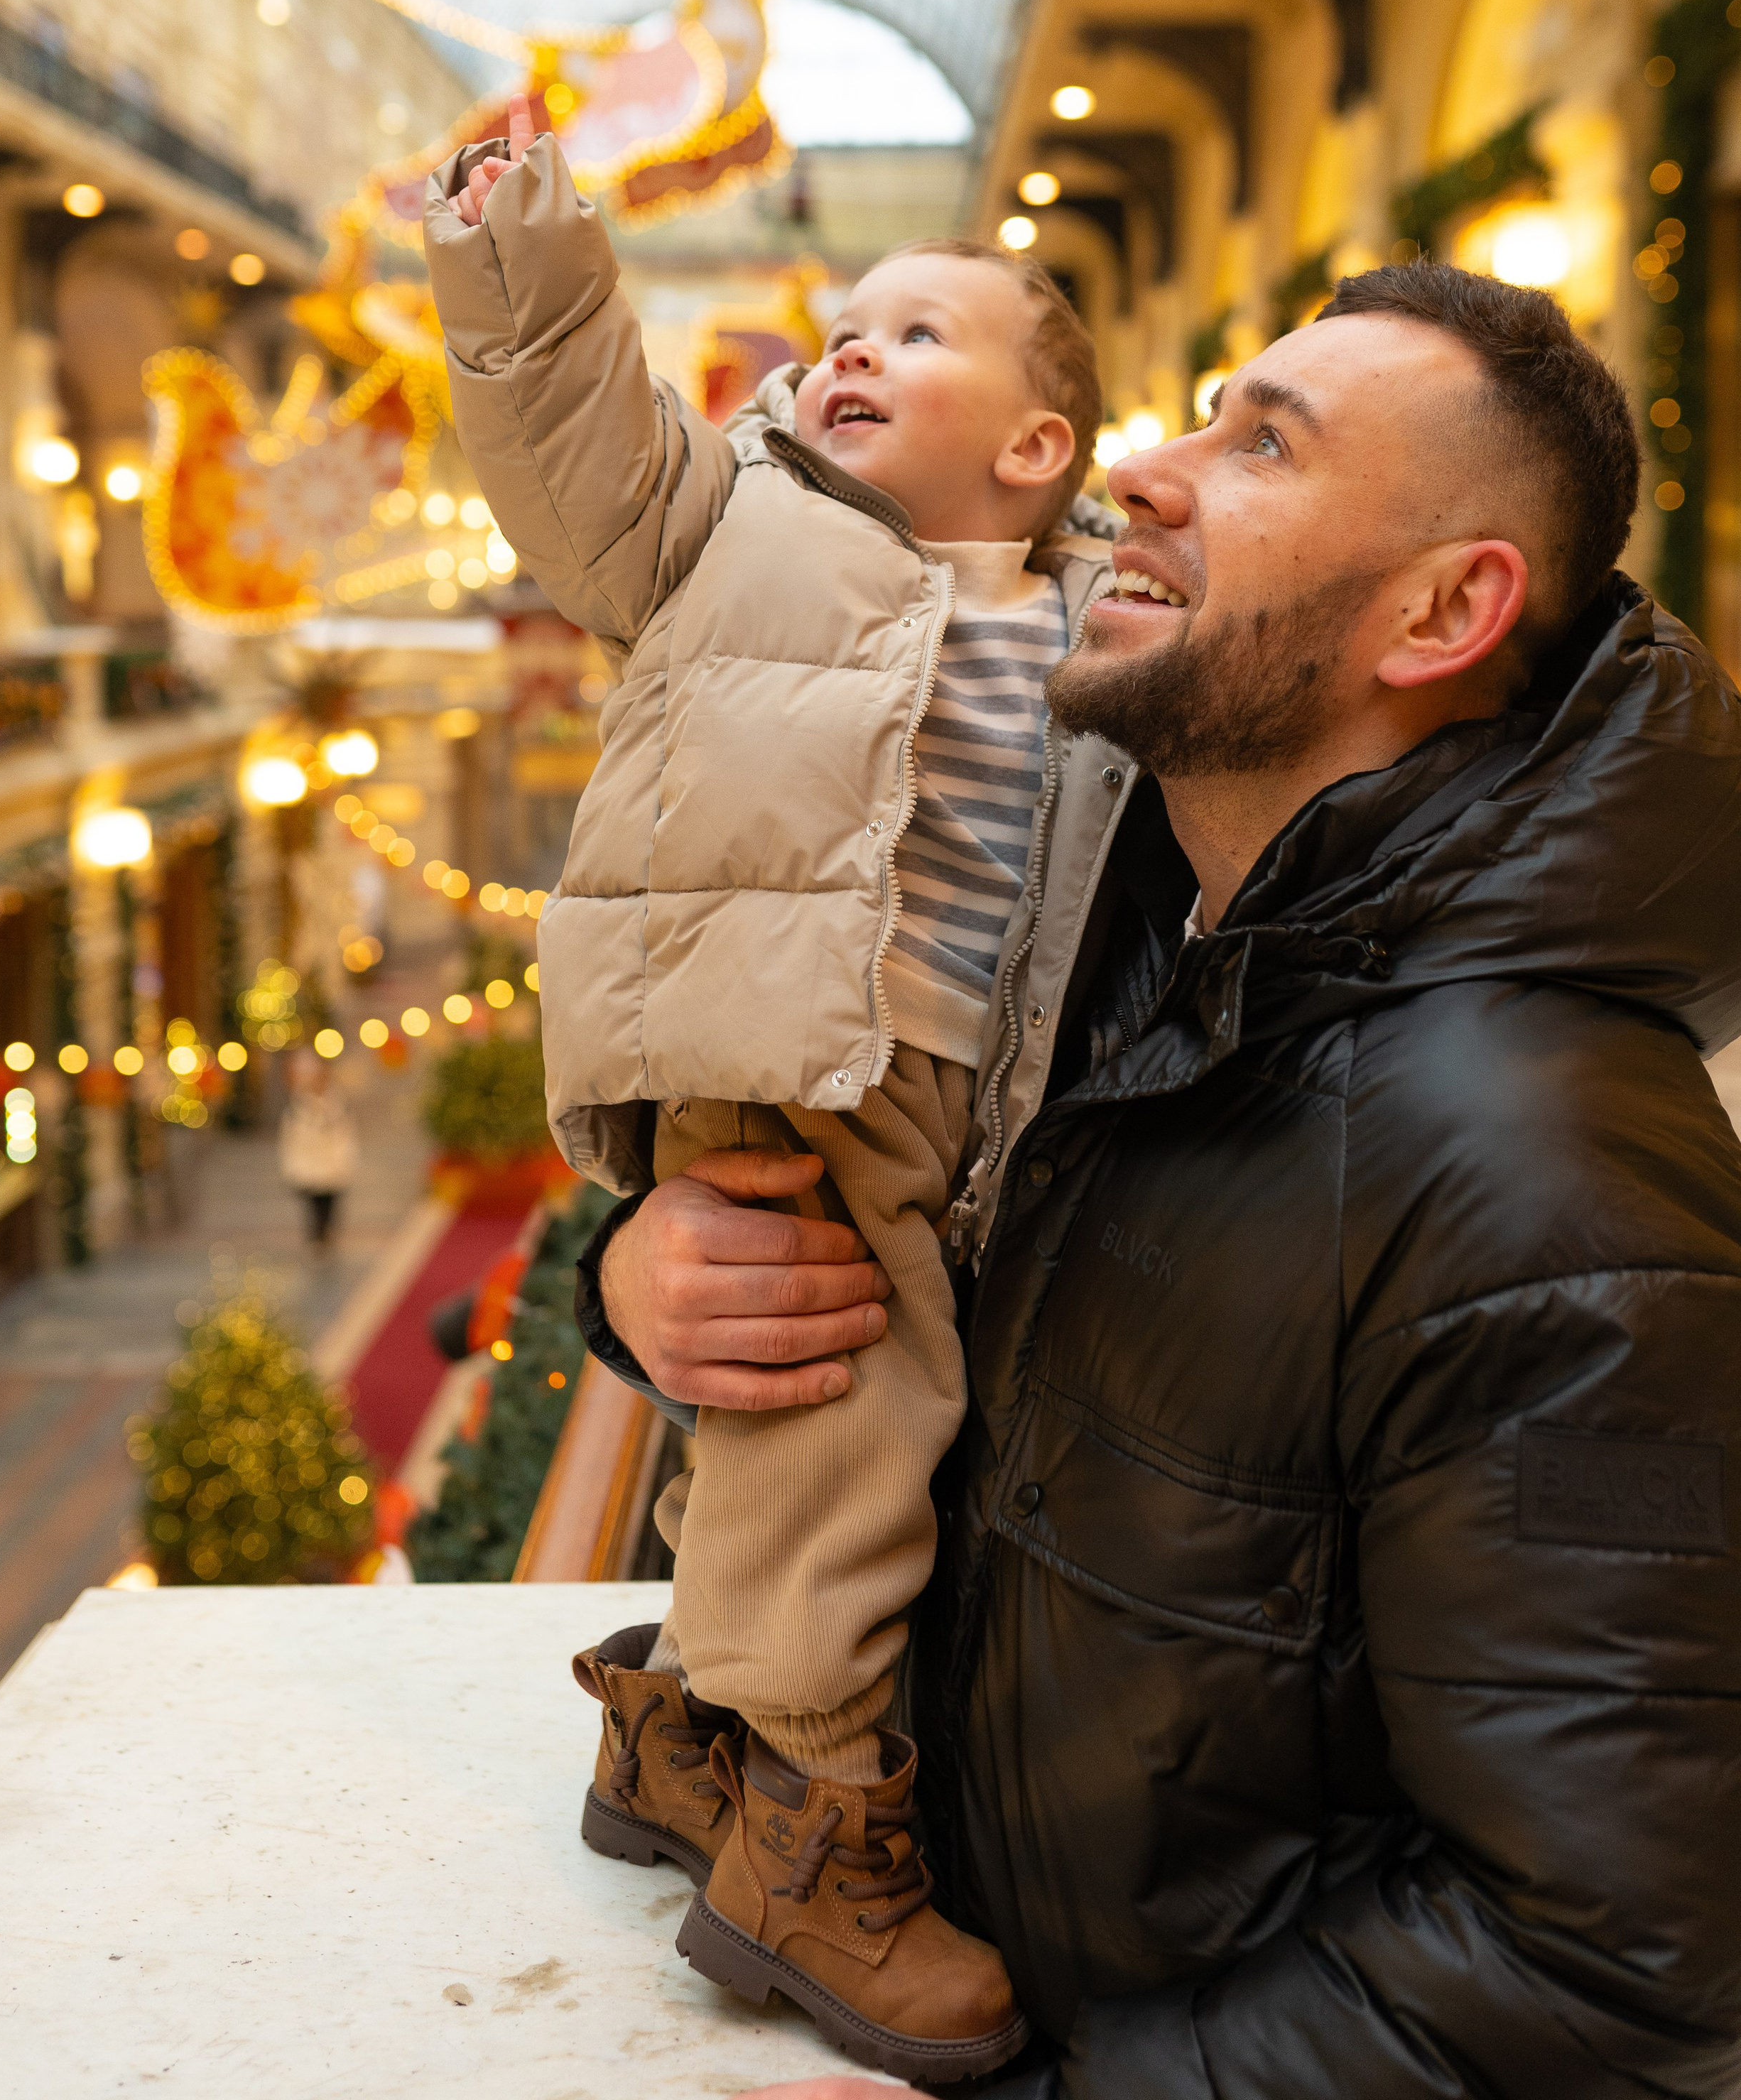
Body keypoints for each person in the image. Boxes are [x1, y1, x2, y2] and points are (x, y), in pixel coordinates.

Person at [582, 261, 1741, 2100]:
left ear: (1445, 607)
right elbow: (902, 1228)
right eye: (1198, 408)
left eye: (1260, 443)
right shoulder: (1131, 926)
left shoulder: (1551, 1181)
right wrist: (648, 1266)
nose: (1141, 467)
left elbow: (1612, 1970)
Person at [423, 101, 1134, 2084]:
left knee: (807, 1411)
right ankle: (817, 1834)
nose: (851, 350)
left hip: (937, 1079)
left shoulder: (1085, 614)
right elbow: (573, 441)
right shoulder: (737, 518)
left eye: (917, 336)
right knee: (848, 1398)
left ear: (1040, 450)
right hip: (780, 1037)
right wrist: (518, 254)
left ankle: (687, 1750)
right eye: (841, 328)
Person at [278, 1052, 357, 1248]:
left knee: (329, 1203)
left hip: (332, 1161)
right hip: (309, 1162)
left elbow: (345, 1132)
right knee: (312, 1203)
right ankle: (316, 1236)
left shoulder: (337, 1102)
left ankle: (327, 1233)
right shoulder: (298, 1105)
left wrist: (344, 1157)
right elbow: (292, 1136)